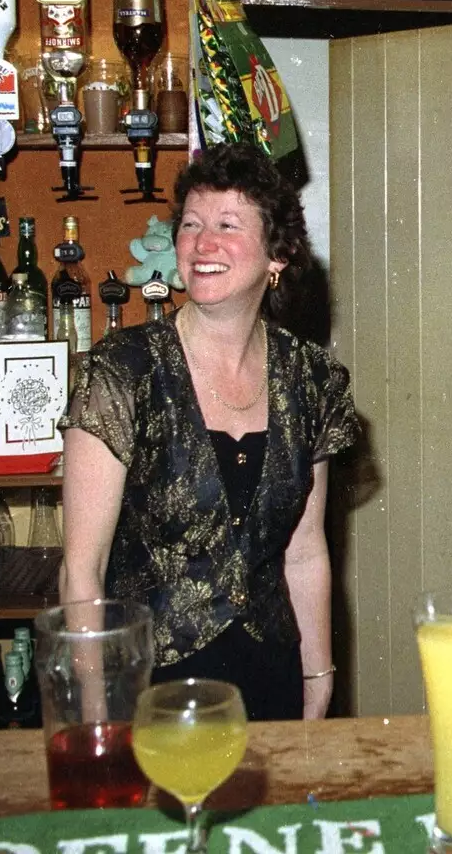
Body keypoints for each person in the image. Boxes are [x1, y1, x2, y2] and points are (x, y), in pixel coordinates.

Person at [60, 142, 358, 721]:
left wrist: (318, 677)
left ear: (278, 256)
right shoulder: (122, 372)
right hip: (150, 687)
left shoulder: (311, 379)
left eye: (227, 224)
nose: (203, 243)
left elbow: (305, 553)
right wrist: (98, 709)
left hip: (270, 675)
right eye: (191, 225)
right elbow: (81, 570)